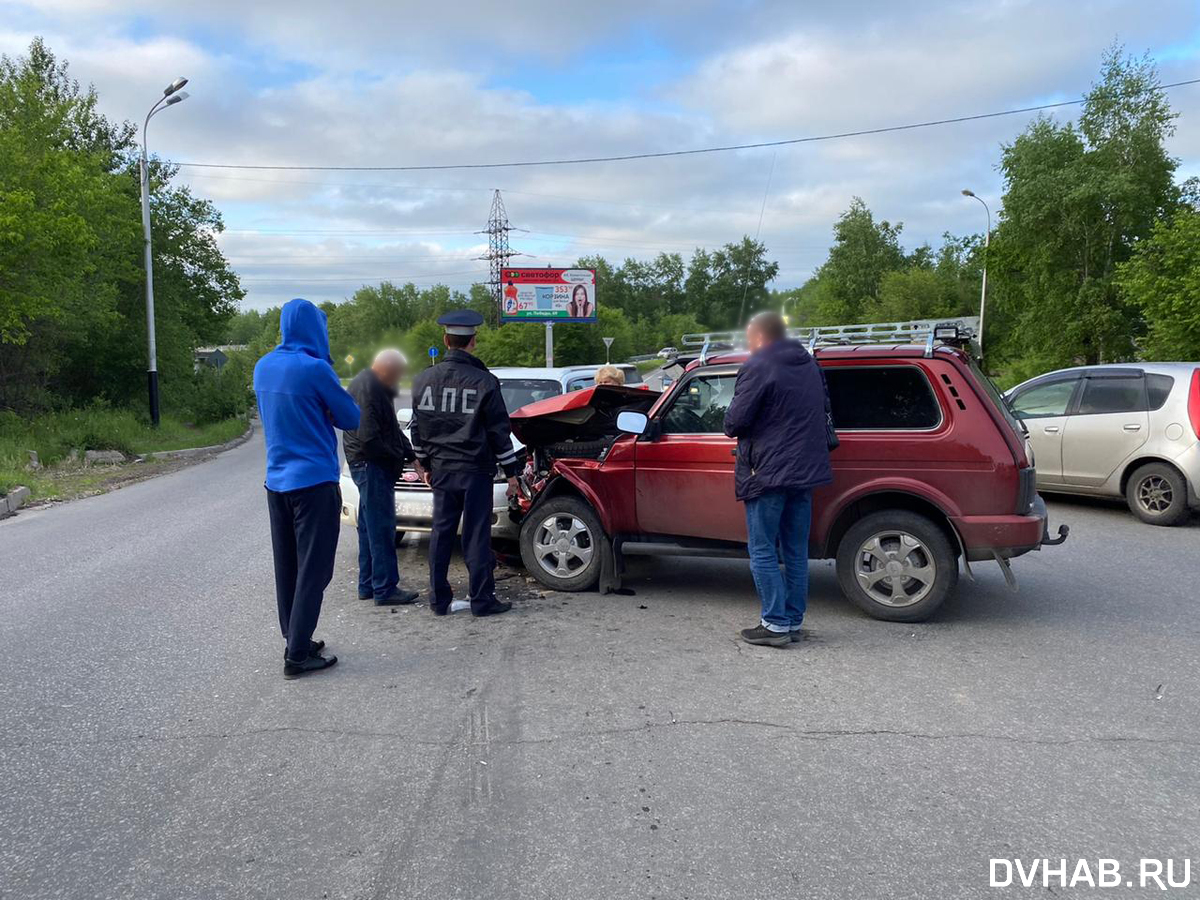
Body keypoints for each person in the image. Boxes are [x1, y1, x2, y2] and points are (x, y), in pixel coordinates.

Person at [253, 298, 361, 678]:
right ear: (316, 329)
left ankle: (294, 637)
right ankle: (298, 656)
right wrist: (327, 408)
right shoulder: (315, 370)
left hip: (276, 483)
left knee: (288, 566)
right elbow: (351, 418)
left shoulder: (263, 366)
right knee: (315, 570)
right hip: (314, 483)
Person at [723, 311, 832, 647]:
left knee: (763, 549)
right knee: (796, 550)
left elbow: (734, 423)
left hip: (767, 472)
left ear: (758, 336)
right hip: (806, 473)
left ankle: (774, 625)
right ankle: (792, 620)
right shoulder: (809, 364)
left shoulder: (758, 365)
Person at [410, 310, 521, 618]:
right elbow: (500, 433)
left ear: (446, 340)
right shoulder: (485, 381)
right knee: (476, 536)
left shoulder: (423, 380)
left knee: (441, 534)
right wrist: (512, 474)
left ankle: (439, 600)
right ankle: (482, 599)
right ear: (473, 341)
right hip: (475, 471)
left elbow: (417, 429)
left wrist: (424, 463)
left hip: (442, 471)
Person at [344, 348, 422, 607]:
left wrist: (411, 456)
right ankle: (385, 588)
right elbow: (369, 437)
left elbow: (390, 429)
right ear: (387, 369)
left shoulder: (372, 384)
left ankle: (368, 585)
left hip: (365, 464)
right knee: (382, 528)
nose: (398, 380)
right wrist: (395, 457)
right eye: (397, 374)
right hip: (371, 465)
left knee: (368, 527)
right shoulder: (370, 388)